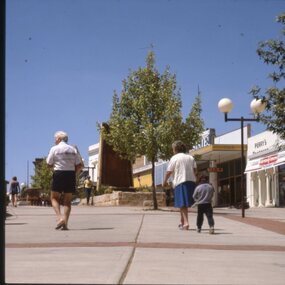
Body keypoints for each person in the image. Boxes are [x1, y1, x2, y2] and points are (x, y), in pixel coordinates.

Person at [46, 131, 83, 230]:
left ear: (59, 138)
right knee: (67, 201)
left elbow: (48, 164)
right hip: (70, 174)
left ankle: (59, 218)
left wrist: (54, 167)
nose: (54, 140)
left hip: (58, 173)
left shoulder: (54, 149)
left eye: (55, 138)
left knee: (54, 198)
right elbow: (79, 165)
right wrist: (73, 173)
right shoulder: (72, 149)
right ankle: (65, 224)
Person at [162, 140, 197, 230]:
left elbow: (169, 172)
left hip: (180, 182)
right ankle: (182, 222)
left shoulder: (175, 158)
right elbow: (195, 171)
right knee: (183, 203)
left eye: (173, 149)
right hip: (191, 181)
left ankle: (186, 223)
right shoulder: (190, 157)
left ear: (176, 149)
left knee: (182, 204)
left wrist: (164, 181)